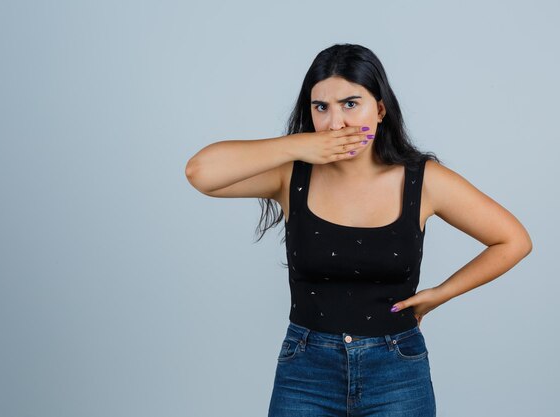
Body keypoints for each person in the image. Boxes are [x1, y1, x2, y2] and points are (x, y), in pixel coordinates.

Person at [185, 43, 532, 417]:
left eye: (351, 104)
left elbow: (513, 240)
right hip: (306, 370)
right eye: (321, 108)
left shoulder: (423, 180)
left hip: (397, 370)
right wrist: (298, 145)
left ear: (380, 109)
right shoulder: (291, 175)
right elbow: (200, 173)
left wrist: (441, 294)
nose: (336, 124)